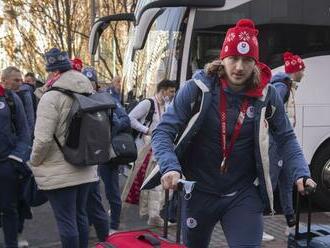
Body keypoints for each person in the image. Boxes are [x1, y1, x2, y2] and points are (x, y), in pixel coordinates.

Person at [150, 19, 316, 247]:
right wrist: (170, 166)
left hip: (242, 194)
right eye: (233, 58)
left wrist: (300, 171)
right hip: (198, 192)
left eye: (247, 60)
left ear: (255, 62)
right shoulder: (197, 89)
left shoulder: (267, 95)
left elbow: (286, 137)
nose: (239, 67)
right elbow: (163, 131)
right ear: (223, 58)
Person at [29, 48, 98, 248]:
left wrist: (34, 162)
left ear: (52, 71)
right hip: (85, 167)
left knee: (66, 221)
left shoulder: (51, 98)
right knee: (80, 216)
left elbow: (42, 140)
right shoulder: (88, 91)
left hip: (59, 171)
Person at [121, 79, 177, 227]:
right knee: (134, 182)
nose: (172, 94)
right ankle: (118, 211)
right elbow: (130, 118)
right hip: (144, 150)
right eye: (171, 91)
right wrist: (147, 130)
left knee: (157, 184)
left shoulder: (166, 106)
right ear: (163, 90)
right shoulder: (148, 103)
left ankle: (154, 215)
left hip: (156, 150)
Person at [82, 66, 130, 237]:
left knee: (112, 191)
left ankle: (114, 225)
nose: (89, 84)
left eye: (91, 81)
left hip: (107, 153)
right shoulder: (77, 99)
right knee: (87, 193)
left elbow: (124, 119)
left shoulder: (107, 98)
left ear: (96, 83)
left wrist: (107, 130)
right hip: (87, 156)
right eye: (85, 81)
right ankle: (86, 225)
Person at [270, 51, 306, 236]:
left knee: (286, 180)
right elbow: (271, 111)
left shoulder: (288, 87)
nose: (304, 73)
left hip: (282, 142)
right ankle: (255, 222)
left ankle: (290, 222)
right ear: (296, 70)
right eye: (302, 69)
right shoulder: (282, 88)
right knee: (271, 181)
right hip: (277, 143)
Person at [0, 67, 30, 248]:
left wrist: (15, 159)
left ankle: (12, 243)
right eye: (16, 80)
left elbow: (24, 132)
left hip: (6, 164)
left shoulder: (11, 99)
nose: (20, 83)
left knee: (9, 208)